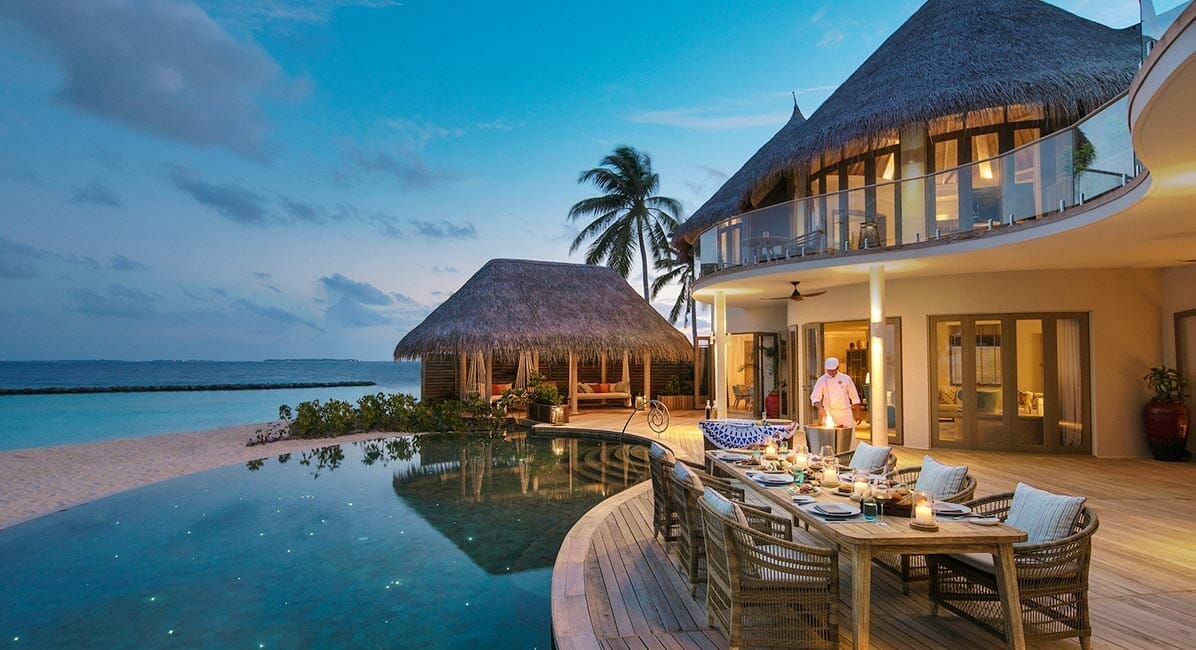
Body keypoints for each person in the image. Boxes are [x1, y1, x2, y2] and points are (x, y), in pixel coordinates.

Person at [810, 357, 861, 429]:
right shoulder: (821, 380)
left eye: (833, 370)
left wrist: (858, 414)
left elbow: (854, 396)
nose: (831, 373)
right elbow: (815, 398)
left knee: (847, 438)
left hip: (845, 413)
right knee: (829, 438)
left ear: (837, 368)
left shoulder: (846, 378)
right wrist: (820, 408)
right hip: (829, 413)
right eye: (829, 371)